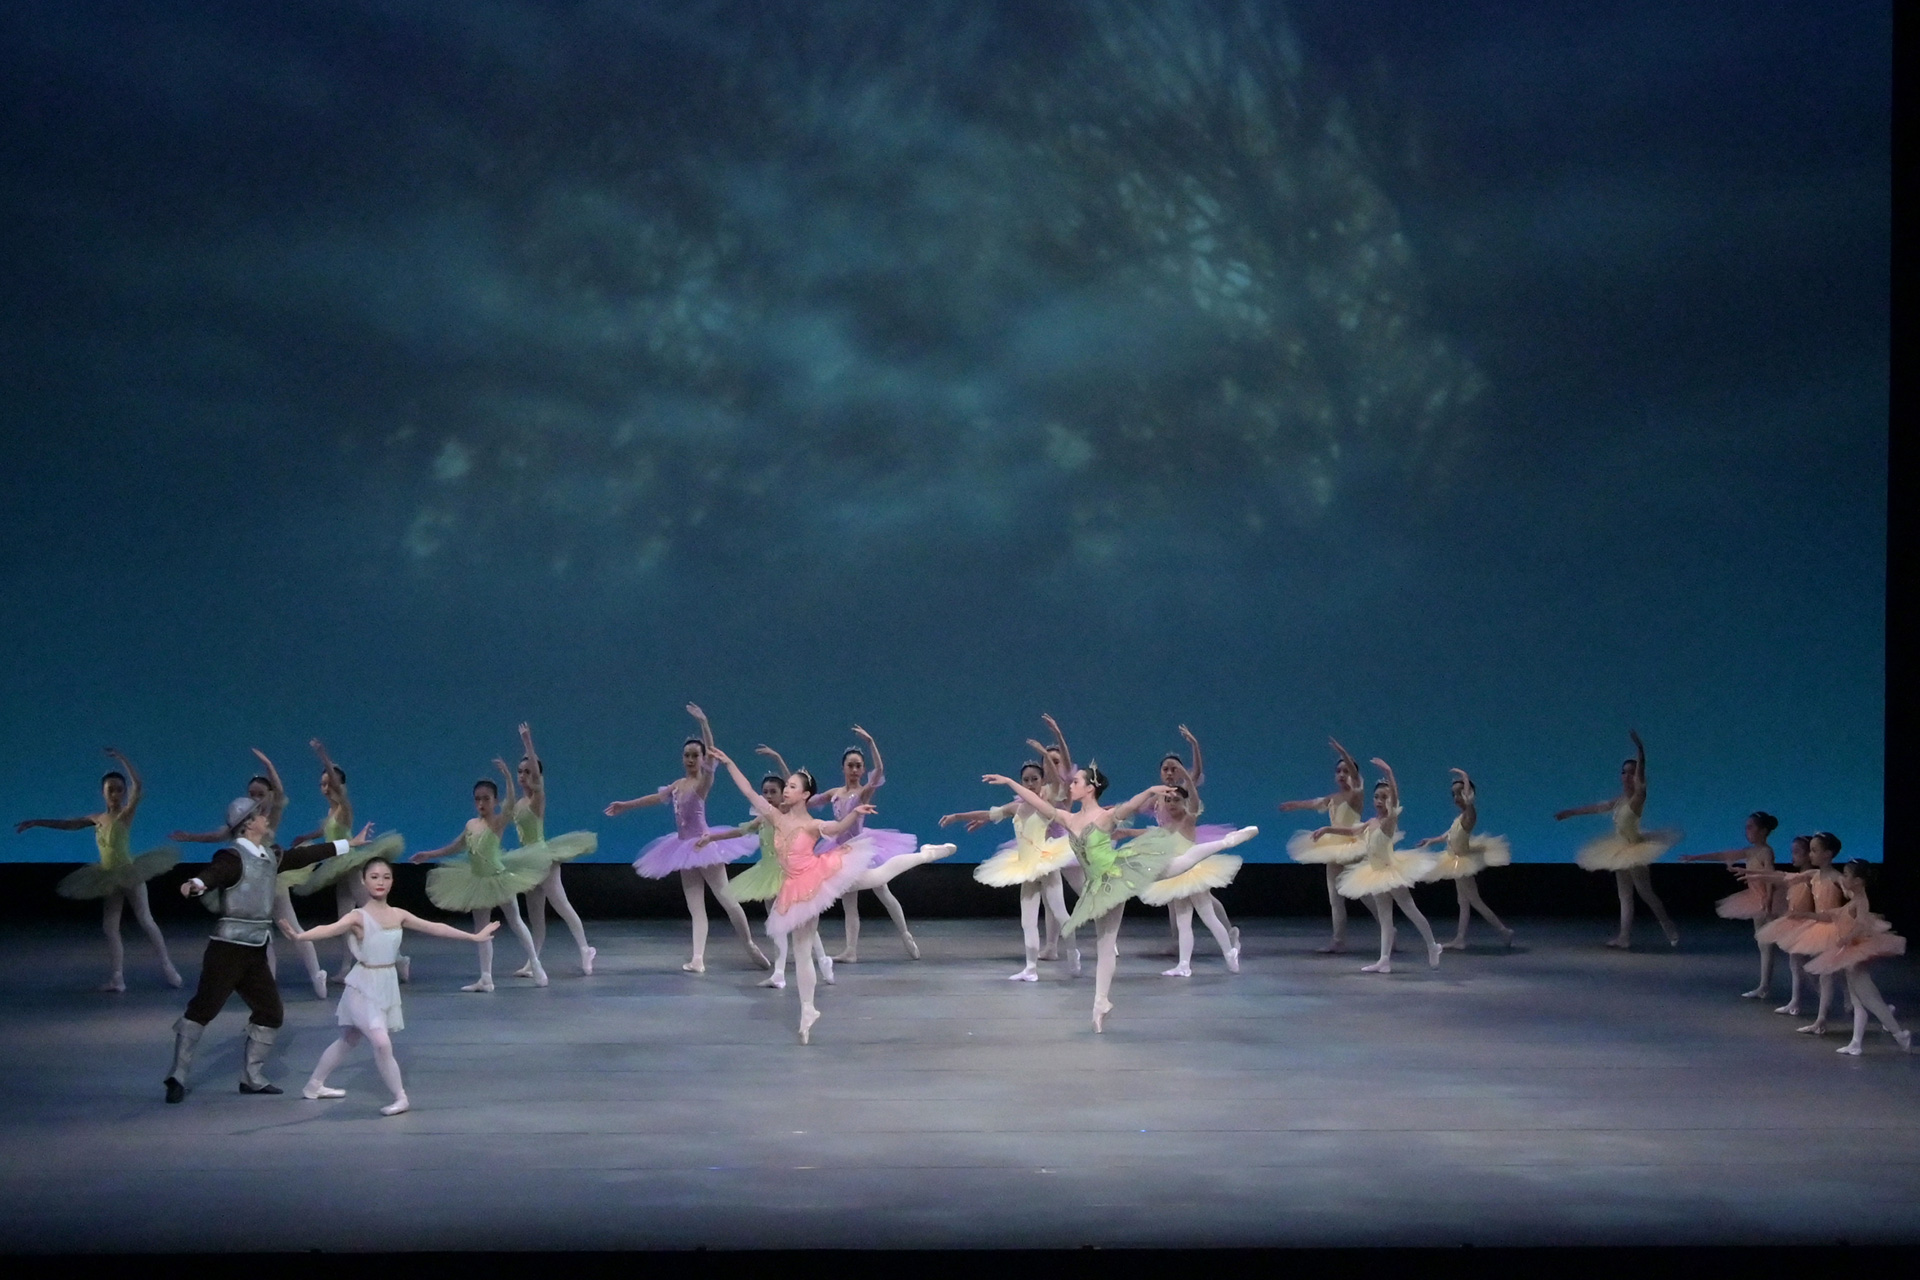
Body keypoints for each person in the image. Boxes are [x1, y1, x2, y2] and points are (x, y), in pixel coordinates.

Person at [985, 752, 1253, 1032]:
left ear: (1090, 788)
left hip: (1118, 873)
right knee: (1104, 945)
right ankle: (1101, 1002)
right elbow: (1037, 801)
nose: (1071, 784)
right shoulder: (1068, 818)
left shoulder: (1105, 817)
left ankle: (1226, 842)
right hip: (1098, 886)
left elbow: (1131, 806)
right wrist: (1009, 782)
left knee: (1176, 866)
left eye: (1076, 782)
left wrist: (1150, 790)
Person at [165, 797, 372, 1103]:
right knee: (203, 1009)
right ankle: (177, 1075)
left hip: (255, 949)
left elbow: (303, 856)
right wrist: (196, 883)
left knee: (270, 1012)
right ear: (248, 824)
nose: (266, 819)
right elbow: (214, 874)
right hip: (228, 949)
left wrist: (348, 844)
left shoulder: (269, 856)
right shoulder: (232, 857)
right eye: (260, 815)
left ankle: (252, 1077)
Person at [280, 856, 501, 1115]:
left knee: (349, 1038)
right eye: (374, 877)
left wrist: (473, 937)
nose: (380, 882)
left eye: (386, 877)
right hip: (362, 986)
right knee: (381, 1042)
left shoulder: (398, 914)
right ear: (364, 881)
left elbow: (435, 927)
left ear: (392, 881)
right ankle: (400, 1097)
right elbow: (329, 929)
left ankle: (314, 1085)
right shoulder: (357, 917)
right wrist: (300, 936)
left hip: (385, 984)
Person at [707, 746, 878, 1043]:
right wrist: (730, 763)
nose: (786, 790)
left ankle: (923, 856)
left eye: (792, 787)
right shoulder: (775, 817)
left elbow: (837, 827)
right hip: (793, 889)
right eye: (786, 786)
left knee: (877, 878)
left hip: (813, 879)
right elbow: (748, 791)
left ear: (805, 795)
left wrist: (855, 813)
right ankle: (808, 1009)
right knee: (801, 952)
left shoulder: (812, 824)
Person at [610, 704, 768, 974]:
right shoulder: (677, 785)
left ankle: (750, 944)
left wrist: (704, 723)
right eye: (687, 755)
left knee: (727, 900)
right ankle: (697, 958)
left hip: (704, 844)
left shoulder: (702, 783)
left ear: (702, 758)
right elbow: (655, 798)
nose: (691, 759)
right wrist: (625, 805)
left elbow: (712, 758)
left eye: (696, 755)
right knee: (695, 907)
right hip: (682, 848)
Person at [16, 748, 181, 991]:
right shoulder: (96, 818)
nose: (115, 794)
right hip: (108, 877)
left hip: (129, 873)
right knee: (110, 927)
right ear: (103, 792)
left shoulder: (125, 815)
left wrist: (123, 759)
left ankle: (168, 967)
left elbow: (138, 785)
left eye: (119, 789)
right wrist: (36, 822)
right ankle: (117, 978)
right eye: (110, 789)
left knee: (145, 920)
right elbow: (68, 824)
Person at [172, 749, 329, 997]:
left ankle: (317, 974)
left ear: (269, 796)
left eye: (260, 794)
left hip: (272, 878)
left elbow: (280, 791)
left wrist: (268, 764)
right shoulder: (243, 820)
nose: (255, 798)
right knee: (263, 935)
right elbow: (218, 835)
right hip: (250, 884)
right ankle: (269, 983)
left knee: (293, 928)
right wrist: (190, 837)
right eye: (252, 794)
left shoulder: (269, 817)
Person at [411, 765, 573, 990]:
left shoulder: (497, 822)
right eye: (477, 799)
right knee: (481, 930)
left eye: (486, 799)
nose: (481, 804)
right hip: (478, 881)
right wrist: (429, 854)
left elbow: (510, 803)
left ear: (495, 801)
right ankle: (486, 978)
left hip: (498, 879)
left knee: (516, 921)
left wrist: (508, 777)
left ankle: (535, 964)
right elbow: (456, 846)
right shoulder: (471, 824)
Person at [701, 756, 835, 990]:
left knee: (803, 922)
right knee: (777, 924)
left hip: (790, 875)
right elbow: (740, 831)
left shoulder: (786, 817)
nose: (768, 796)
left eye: (773, 792)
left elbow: (795, 783)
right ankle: (779, 973)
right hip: (767, 874)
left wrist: (779, 760)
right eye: (765, 792)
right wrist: (712, 837)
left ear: (784, 793)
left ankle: (822, 959)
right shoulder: (764, 818)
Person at [943, 759, 1077, 981]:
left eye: (1035, 779)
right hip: (1025, 866)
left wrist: (1040, 757)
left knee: (1061, 914)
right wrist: (958, 817)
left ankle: (1073, 953)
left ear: (1042, 781)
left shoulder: (1046, 805)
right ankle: (1030, 969)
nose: (1030, 783)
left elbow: (1056, 781)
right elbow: (988, 814)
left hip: (1045, 863)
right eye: (1026, 780)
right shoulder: (1016, 808)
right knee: (1027, 921)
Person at [1555, 731, 1680, 948]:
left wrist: (1640, 750)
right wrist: (1571, 812)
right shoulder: (1620, 801)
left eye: (1632, 773)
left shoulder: (1637, 799)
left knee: (1646, 893)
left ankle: (1669, 928)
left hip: (1634, 849)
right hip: (1619, 850)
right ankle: (1624, 937)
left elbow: (1641, 779)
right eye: (1624, 772)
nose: (1627, 776)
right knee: (1624, 895)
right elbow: (1597, 807)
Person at [811, 726, 926, 962]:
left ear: (863, 769)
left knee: (882, 890)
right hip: (838, 850)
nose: (854, 770)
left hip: (861, 849)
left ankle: (905, 933)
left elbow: (880, 770)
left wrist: (871, 742)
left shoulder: (863, 792)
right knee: (848, 901)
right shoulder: (834, 793)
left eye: (858, 766)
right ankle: (851, 950)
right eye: (850, 765)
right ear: (843, 768)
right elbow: (807, 800)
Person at [1319, 759, 1442, 974]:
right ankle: (1384, 960)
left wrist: (1389, 773)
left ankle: (1433, 945)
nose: (1379, 801)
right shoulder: (1371, 822)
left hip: (1390, 871)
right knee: (1385, 918)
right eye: (1376, 797)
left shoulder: (1389, 820)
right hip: (1375, 873)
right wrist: (1327, 829)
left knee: (1410, 909)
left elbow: (1395, 800)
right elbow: (1351, 831)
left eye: (1384, 798)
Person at [506, 723, 598, 978]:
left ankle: (585, 949)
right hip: (526, 862)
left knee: (561, 905)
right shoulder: (518, 803)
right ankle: (533, 961)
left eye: (527, 772)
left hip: (543, 858)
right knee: (536, 917)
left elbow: (537, 776)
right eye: (520, 771)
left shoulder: (537, 799)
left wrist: (527, 742)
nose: (523, 775)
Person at [1804, 860, 1911, 1056]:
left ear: (1858, 881)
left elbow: (1861, 924)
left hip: (1855, 952)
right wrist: (1808, 915)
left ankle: (1900, 1034)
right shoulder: (1855, 899)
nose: (1843, 878)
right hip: (1851, 953)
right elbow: (1839, 913)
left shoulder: (1861, 901)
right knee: (1858, 1002)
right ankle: (1856, 1043)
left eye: (1846, 875)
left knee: (1870, 1000)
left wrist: (1847, 938)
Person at [1280, 739, 1375, 953]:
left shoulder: (1356, 794)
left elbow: (1355, 776)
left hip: (1351, 846)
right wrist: (1294, 805)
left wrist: (1342, 752)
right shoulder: (1333, 798)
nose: (1342, 774)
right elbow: (1314, 803)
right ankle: (1338, 940)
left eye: (1346, 771)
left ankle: (1388, 929)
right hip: (1333, 849)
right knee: (1334, 897)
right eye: (1338, 771)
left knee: (1364, 893)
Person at [1681, 812, 1779, 997]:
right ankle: (1764, 985)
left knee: (1769, 944)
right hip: (1755, 898)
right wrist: (1695, 857)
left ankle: (1766, 986)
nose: (1747, 831)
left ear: (1763, 831)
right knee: (1763, 943)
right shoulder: (1751, 851)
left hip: (1766, 900)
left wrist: (1768, 897)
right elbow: (1722, 854)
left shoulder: (1766, 851)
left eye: (1750, 827)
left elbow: (1769, 875)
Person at [1413, 769, 1514, 950]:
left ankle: (1504, 930)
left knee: (1474, 900)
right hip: (1455, 861)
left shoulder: (1469, 814)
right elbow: (1447, 835)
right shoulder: (1459, 818)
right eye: (1454, 794)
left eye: (1460, 793)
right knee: (1464, 901)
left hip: (1462, 862)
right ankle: (1460, 938)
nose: (1456, 797)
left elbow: (1468, 802)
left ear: (1469, 794)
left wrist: (1465, 777)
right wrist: (1431, 840)